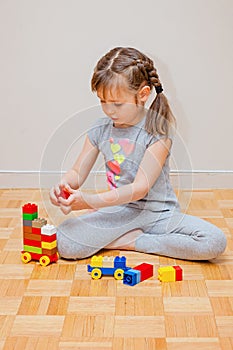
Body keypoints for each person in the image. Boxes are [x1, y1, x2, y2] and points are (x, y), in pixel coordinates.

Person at [50, 47, 226, 260]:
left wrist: (90, 202)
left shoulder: (158, 132)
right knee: (65, 242)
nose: (109, 110)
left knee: (213, 241)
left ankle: (133, 242)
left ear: (143, 94)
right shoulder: (99, 130)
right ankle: (121, 235)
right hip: (118, 211)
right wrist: (64, 186)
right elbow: (77, 172)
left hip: (159, 213)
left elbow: (139, 188)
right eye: (102, 102)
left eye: (117, 103)